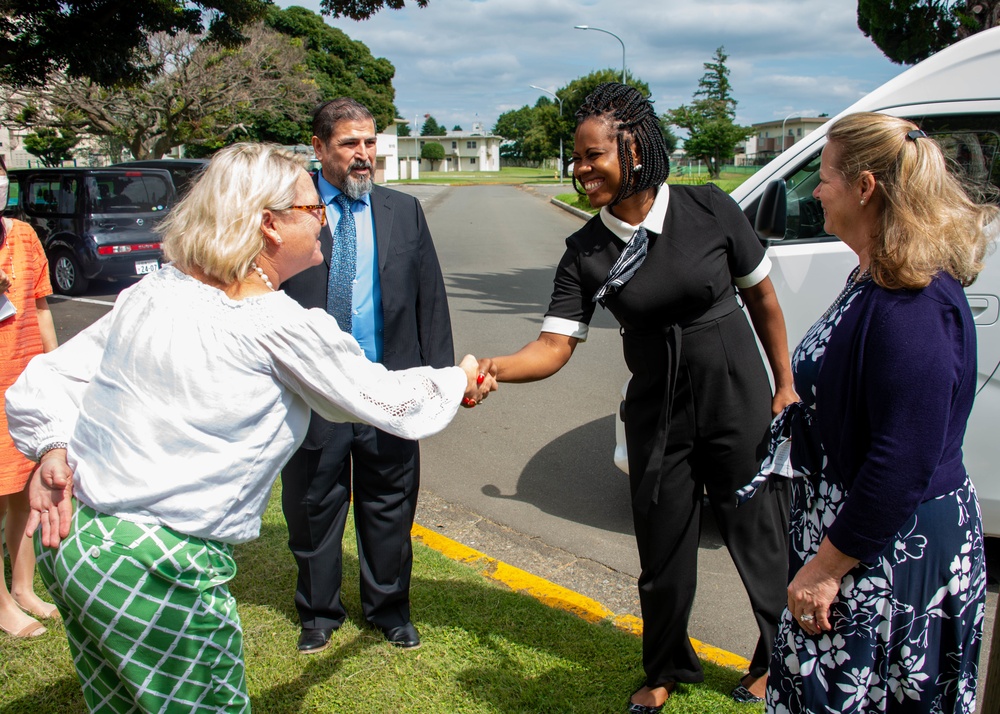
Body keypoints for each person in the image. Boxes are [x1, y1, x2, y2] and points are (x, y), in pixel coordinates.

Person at [5, 142, 494, 713]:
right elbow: (384, 399)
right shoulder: (277, 326)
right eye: (313, 210)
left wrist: (52, 447)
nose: (324, 222)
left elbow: (48, 379)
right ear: (268, 225)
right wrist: (458, 379)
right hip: (158, 565)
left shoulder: (158, 291)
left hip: (77, 546)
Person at [477, 83, 797, 712]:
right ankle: (666, 666)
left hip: (736, 392)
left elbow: (763, 298)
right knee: (662, 539)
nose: (581, 169)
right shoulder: (585, 252)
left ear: (636, 149)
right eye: (577, 158)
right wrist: (493, 368)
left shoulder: (709, 209)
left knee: (757, 531)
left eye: (593, 155)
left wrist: (784, 384)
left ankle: (774, 656)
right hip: (657, 406)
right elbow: (554, 346)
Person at [764, 113, 994, 713]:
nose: (814, 191)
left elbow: (903, 459)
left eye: (824, 177)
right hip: (854, 540)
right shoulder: (875, 273)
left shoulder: (912, 303)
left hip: (885, 554)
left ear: (865, 187)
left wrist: (824, 568)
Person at [279, 98, 455, 655]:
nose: (363, 155)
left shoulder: (404, 211)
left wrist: (443, 379)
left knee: (390, 501)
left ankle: (389, 610)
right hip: (316, 391)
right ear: (319, 148)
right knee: (313, 503)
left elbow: (431, 298)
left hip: (390, 389)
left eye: (370, 143)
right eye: (349, 144)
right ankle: (318, 613)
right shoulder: (289, 212)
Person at [0, 155, 60, 640]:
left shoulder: (22, 235)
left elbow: (40, 308)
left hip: (22, 385)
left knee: (25, 491)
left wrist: (55, 371)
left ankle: (23, 586)